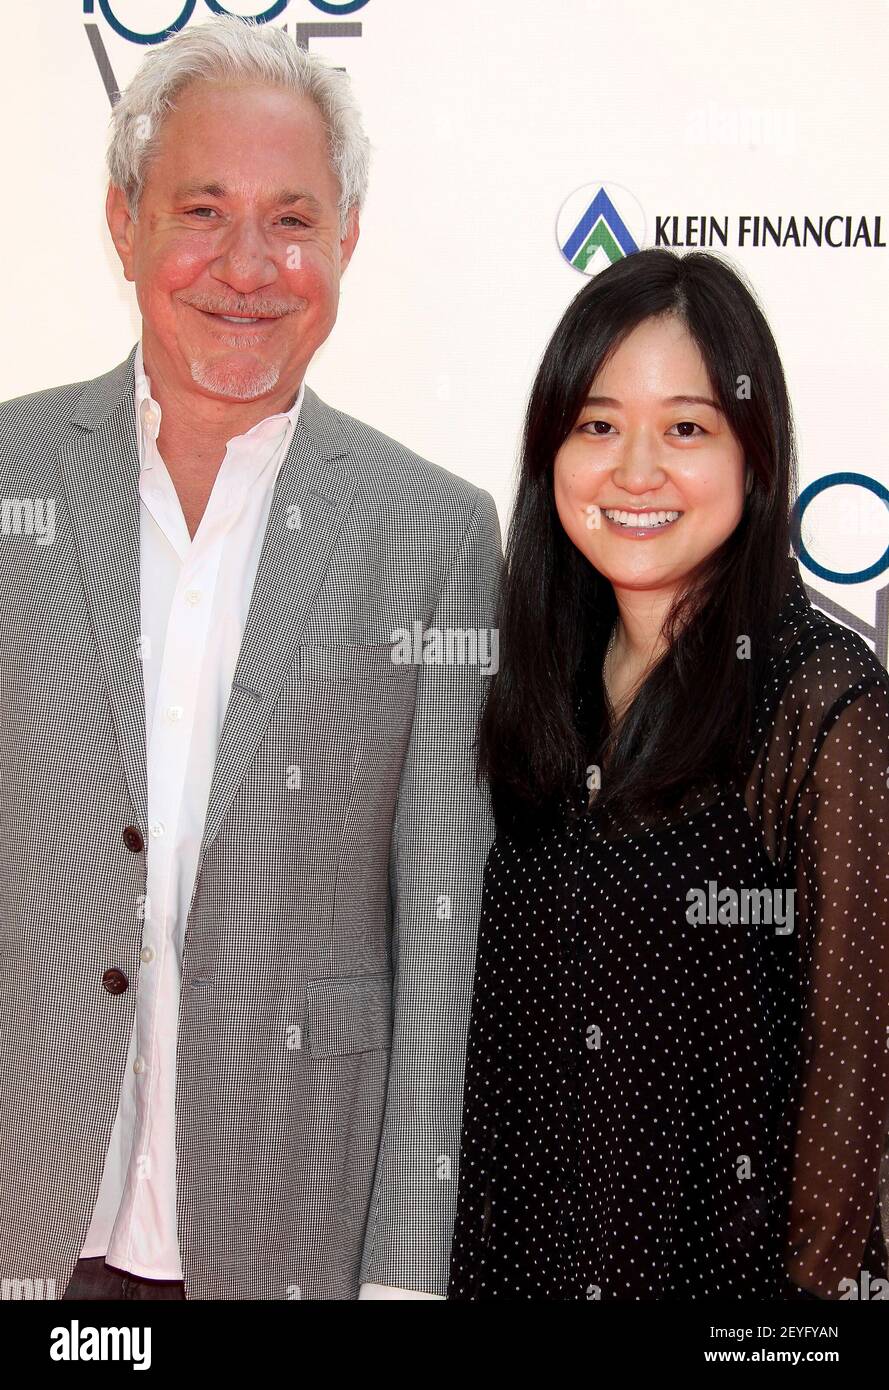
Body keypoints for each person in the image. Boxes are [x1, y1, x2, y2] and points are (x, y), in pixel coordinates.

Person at [0, 15, 501, 1301]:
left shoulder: (433, 532)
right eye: (201, 211)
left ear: (346, 242)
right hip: (31, 1217)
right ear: (124, 225)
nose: (247, 265)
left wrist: (401, 1278)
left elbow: (442, 940)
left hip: (293, 1235)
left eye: (292, 219)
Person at [447, 246, 889, 1300]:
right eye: (596, 425)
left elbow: (852, 1085)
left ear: (754, 454)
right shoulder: (531, 687)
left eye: (685, 428)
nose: (633, 470)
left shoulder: (821, 705)